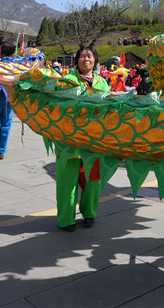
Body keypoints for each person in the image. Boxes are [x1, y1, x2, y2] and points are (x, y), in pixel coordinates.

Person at [55, 45, 110, 231]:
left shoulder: (102, 83)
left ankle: (89, 214)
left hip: (93, 142)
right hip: (69, 142)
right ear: (76, 60)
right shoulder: (68, 80)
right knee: (66, 184)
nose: (86, 59)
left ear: (95, 60)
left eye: (90, 56)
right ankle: (66, 219)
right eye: (82, 56)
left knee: (92, 182)